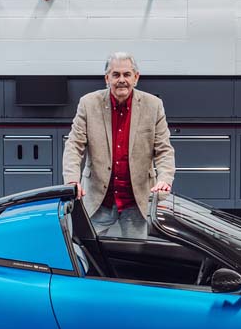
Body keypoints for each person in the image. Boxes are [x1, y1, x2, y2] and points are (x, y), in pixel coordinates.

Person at [62, 52, 175, 238]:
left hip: (135, 202)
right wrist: (72, 180)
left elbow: (163, 149)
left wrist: (165, 178)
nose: (121, 80)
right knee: (85, 254)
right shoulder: (88, 104)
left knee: (134, 259)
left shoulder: (153, 106)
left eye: (127, 74)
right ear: (107, 78)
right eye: (116, 75)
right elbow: (74, 145)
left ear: (136, 77)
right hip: (98, 199)